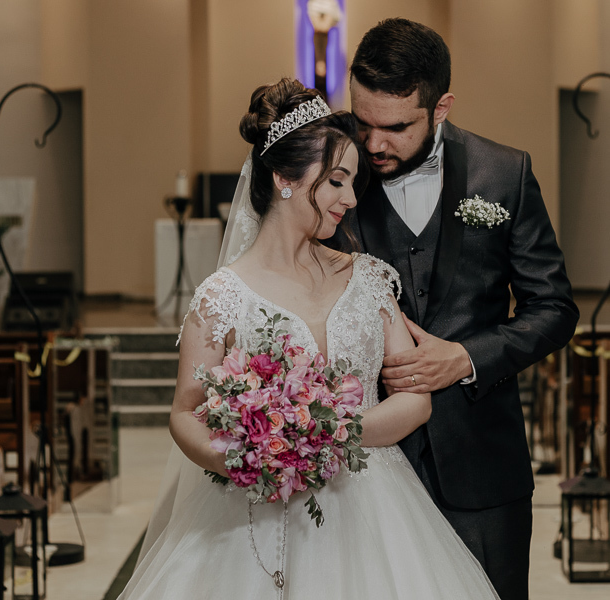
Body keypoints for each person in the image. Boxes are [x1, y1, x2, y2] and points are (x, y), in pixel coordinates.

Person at [118, 78, 499, 599]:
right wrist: (244, 456)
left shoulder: (368, 278)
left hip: (375, 510)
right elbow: (185, 412)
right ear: (285, 179)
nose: (350, 198)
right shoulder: (221, 296)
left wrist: (327, 435)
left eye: (353, 182)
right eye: (337, 181)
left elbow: (415, 401)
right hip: (250, 515)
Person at [342, 18, 579, 600]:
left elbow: (553, 307)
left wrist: (467, 358)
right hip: (362, 471)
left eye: (396, 128)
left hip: (482, 467)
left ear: (441, 106)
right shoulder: (332, 173)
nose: (373, 145)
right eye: (363, 121)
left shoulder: (505, 173)